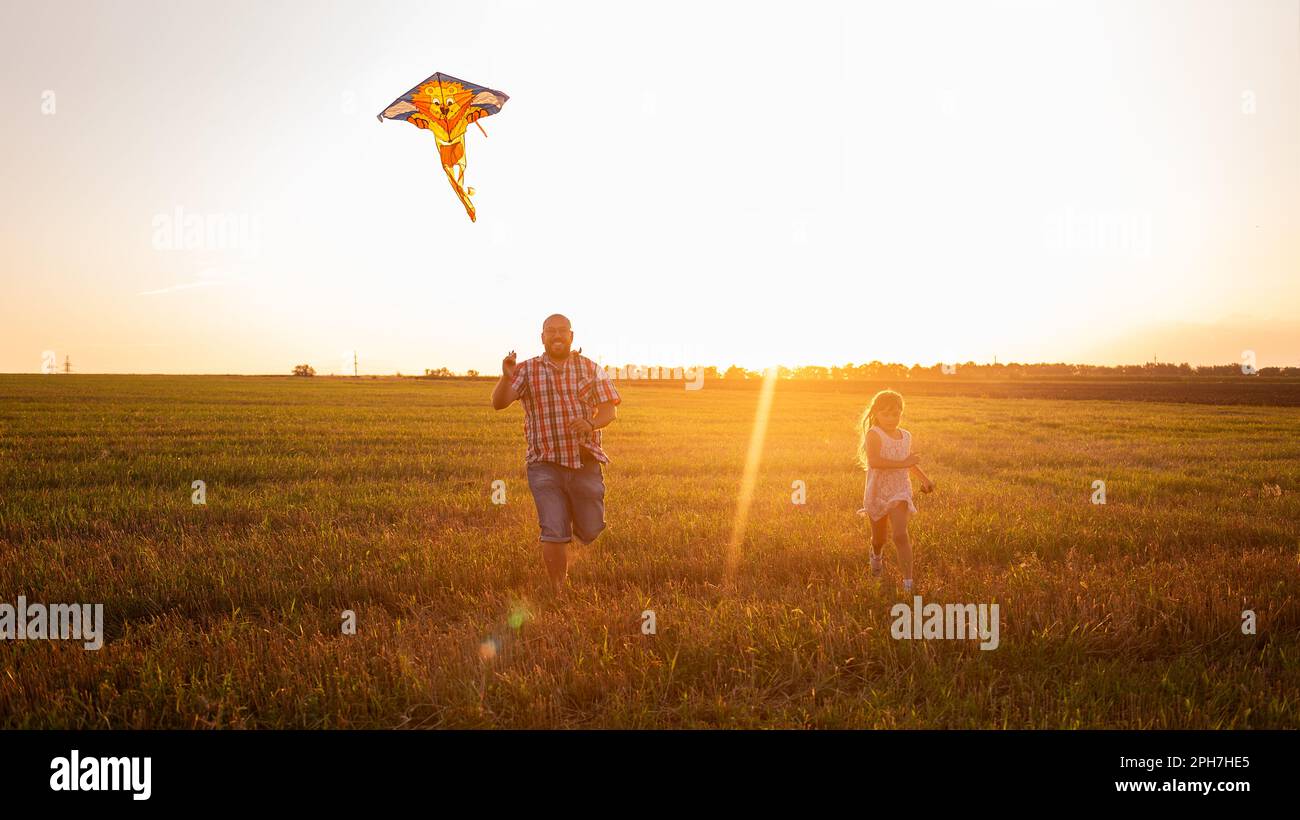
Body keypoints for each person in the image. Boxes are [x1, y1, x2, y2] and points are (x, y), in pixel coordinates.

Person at [491, 314, 621, 593]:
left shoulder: (591, 368)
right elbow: (499, 403)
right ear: (542, 337)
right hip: (544, 463)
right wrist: (506, 377)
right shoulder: (526, 370)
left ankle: (572, 520)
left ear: (571, 336)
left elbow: (610, 412)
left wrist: (590, 423)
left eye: (562, 330)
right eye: (551, 331)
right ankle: (558, 588)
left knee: (590, 528)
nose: (557, 335)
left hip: (583, 461)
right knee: (553, 529)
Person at [856, 389, 934, 593]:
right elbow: (875, 462)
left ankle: (908, 583)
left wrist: (925, 480)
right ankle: (876, 555)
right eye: (886, 414)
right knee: (879, 538)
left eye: (896, 413)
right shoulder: (874, 434)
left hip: (900, 491)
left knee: (900, 535)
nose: (892, 418)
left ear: (902, 412)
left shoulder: (906, 435)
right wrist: (903, 463)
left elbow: (908, 463)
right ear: (876, 413)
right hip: (877, 491)